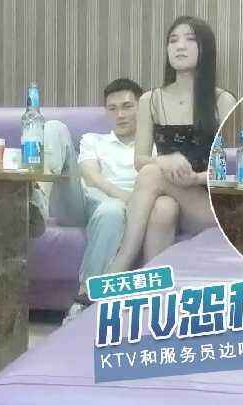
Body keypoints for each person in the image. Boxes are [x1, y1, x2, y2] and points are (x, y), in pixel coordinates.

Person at [107, 16, 236, 272]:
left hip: (210, 205)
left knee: (152, 173)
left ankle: (119, 265)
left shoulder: (223, 101)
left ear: (205, 49)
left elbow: (228, 171)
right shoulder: (150, 100)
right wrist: (164, 160)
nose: (180, 46)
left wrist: (194, 178)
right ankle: (153, 284)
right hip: (171, 200)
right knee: (163, 208)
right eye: (173, 40)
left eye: (190, 39)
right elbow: (140, 160)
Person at [46, 78, 179, 320]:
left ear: (142, 109)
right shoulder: (93, 140)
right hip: (82, 202)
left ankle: (84, 300)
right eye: (112, 108)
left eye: (127, 106)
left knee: (111, 210)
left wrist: (130, 203)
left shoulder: (155, 150)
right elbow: (91, 176)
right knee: (54, 127)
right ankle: (39, 198)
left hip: (120, 211)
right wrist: (127, 198)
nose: (120, 115)